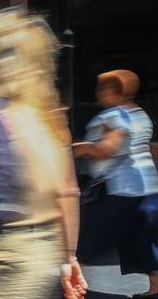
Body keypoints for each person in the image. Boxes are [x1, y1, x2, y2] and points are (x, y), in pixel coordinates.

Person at [0, 8, 87, 298]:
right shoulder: (49, 117)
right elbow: (67, 193)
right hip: (41, 251)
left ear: (0, 63)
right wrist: (69, 258)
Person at [74, 70, 158, 299]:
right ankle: (155, 289)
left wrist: (80, 148)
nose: (99, 94)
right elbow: (149, 148)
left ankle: (72, 286)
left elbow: (107, 149)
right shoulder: (140, 115)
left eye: (102, 89)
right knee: (144, 238)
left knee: (87, 238)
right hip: (148, 187)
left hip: (120, 189)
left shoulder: (113, 116)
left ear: (112, 91)